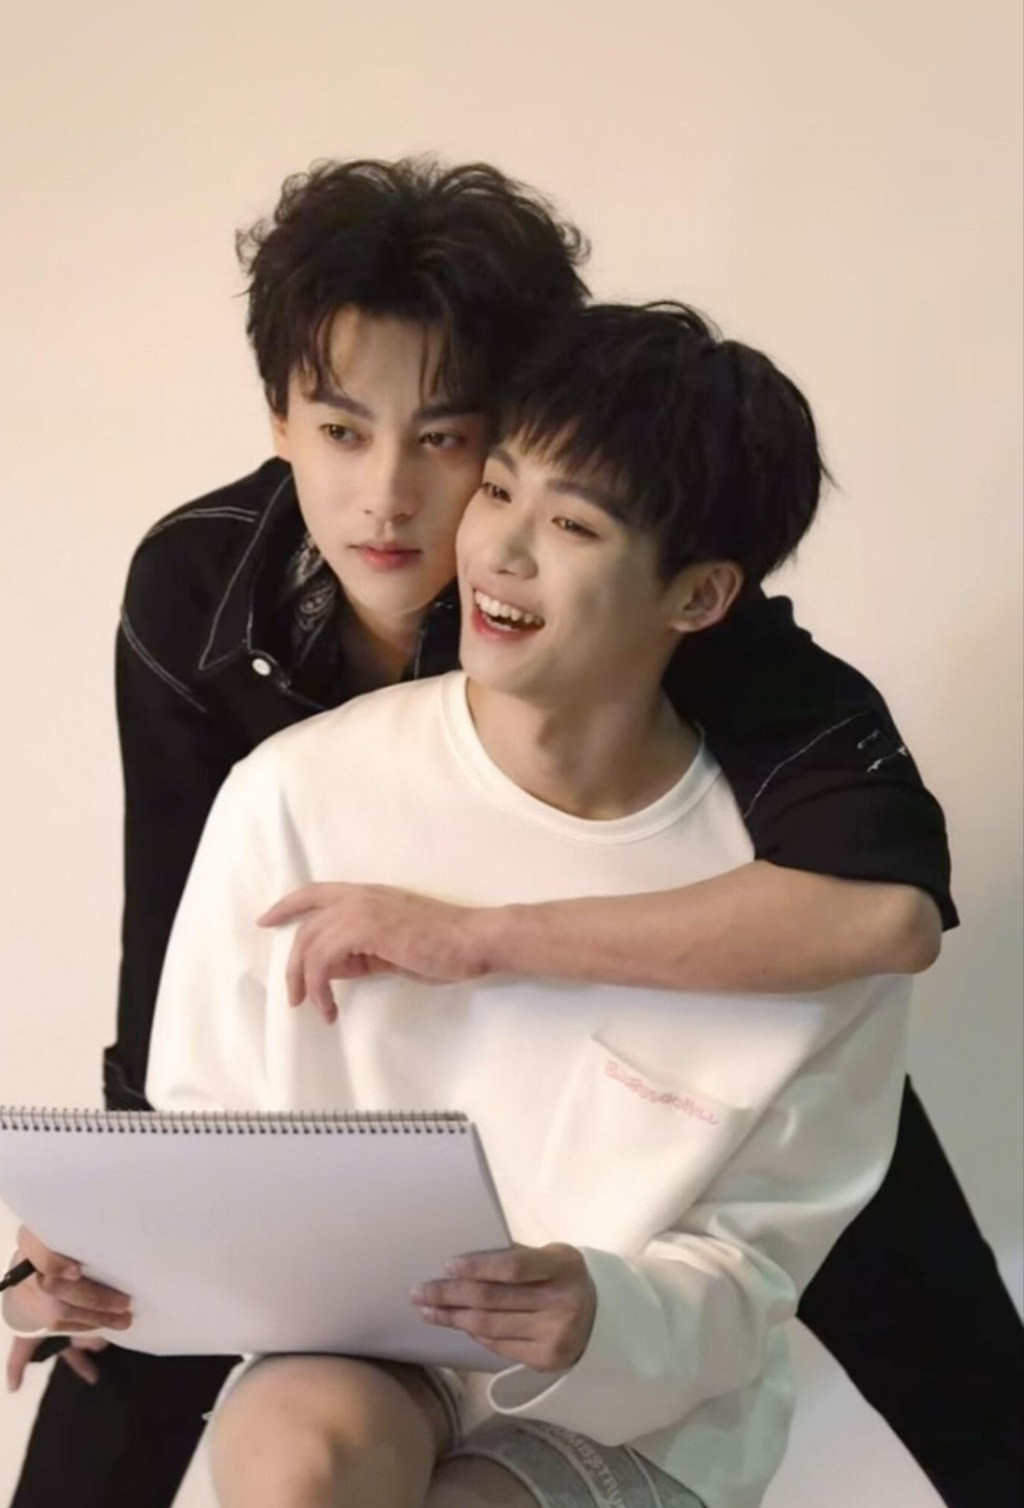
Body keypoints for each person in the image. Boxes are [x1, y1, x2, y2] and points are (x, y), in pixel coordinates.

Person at [4, 159, 1019, 1508]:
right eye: (341, 430)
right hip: (367, 1191)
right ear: (280, 422)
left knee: (965, 1375)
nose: (387, 499)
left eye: (444, 442)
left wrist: (479, 939)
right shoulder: (203, 598)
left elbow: (879, 914)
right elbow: (175, 962)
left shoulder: (684, 619)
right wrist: (116, 1227)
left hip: (698, 1052)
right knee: (107, 1384)